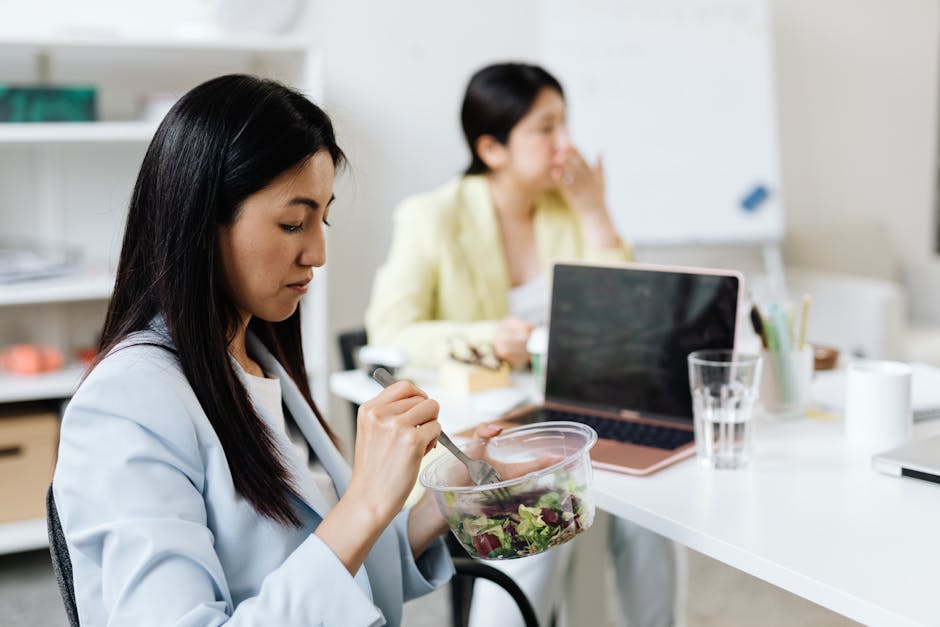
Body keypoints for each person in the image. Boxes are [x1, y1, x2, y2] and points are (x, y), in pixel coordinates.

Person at [52, 74, 497, 627]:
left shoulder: (257, 360)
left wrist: (438, 498)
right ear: (202, 219)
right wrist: (365, 500)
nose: (317, 252)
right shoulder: (128, 404)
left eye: (323, 218)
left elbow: (332, 569)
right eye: (293, 223)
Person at [366, 62, 678, 627]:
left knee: (649, 510)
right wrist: (489, 335)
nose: (566, 144)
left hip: (565, 409)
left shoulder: (567, 209)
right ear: (492, 147)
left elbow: (626, 318)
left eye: (566, 124)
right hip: (475, 426)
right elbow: (388, 332)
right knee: (535, 503)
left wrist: (595, 211)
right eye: (546, 128)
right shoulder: (431, 217)